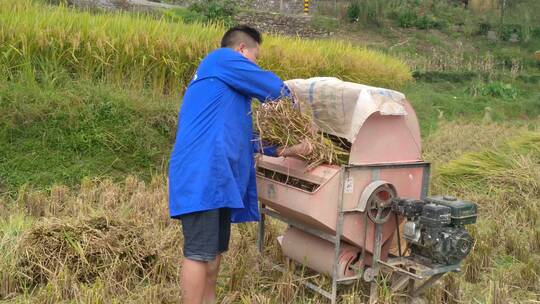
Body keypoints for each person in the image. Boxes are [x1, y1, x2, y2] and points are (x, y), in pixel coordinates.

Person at [168, 25, 311, 304]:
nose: (255, 66)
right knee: (199, 254)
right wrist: (304, 113)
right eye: (255, 59)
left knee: (214, 254)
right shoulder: (221, 58)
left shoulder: (227, 91)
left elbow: (245, 138)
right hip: (203, 171)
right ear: (242, 50)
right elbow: (274, 89)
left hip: (218, 176)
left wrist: (289, 148)